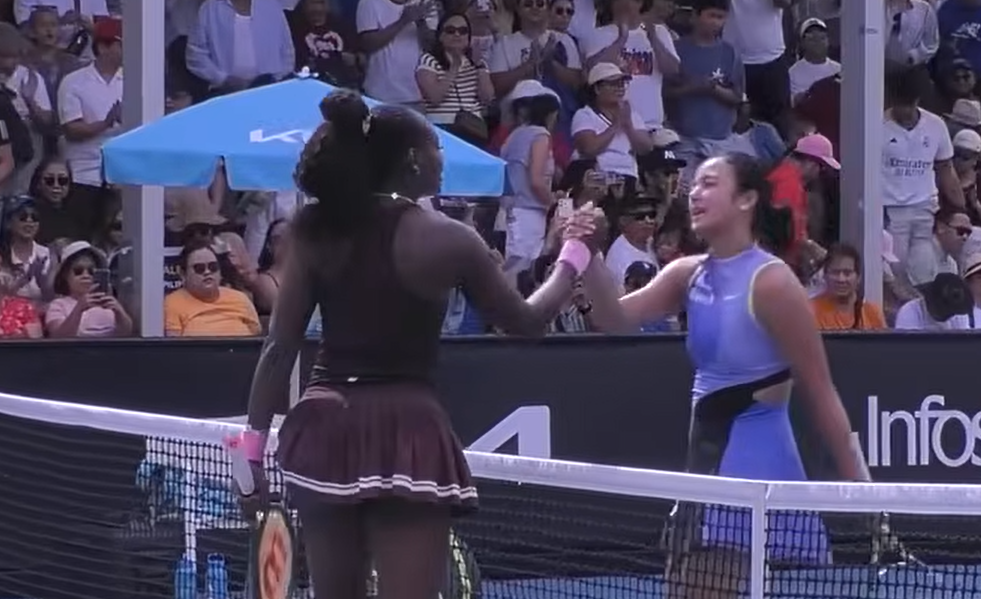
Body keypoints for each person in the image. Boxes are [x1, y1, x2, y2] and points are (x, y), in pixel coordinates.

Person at [238, 90, 596, 599]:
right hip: (407, 429)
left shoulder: (313, 227)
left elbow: (279, 345)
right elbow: (528, 322)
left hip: (324, 428)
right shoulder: (449, 238)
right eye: (437, 150)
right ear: (412, 160)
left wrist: (251, 450)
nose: (442, 160)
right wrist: (574, 255)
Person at [578, 152, 867, 599]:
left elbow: (820, 389)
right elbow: (611, 318)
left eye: (710, 183)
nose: (694, 192)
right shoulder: (686, 275)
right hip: (704, 472)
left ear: (747, 199)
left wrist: (867, 495)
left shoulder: (772, 284)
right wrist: (591, 254)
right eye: (694, 184)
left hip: (757, 471)